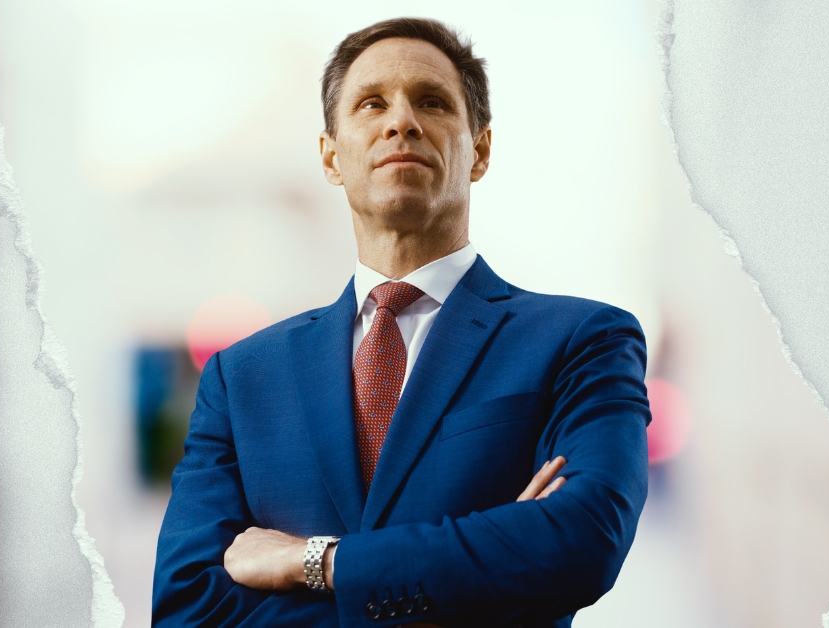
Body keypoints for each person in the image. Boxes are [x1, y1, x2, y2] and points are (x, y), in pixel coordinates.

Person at [153, 17, 650, 628]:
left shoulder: (582, 341)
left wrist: (316, 563)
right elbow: (185, 605)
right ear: (331, 156)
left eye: (432, 102)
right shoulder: (243, 377)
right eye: (371, 103)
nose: (401, 122)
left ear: (480, 150)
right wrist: (487, 577)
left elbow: (582, 541)